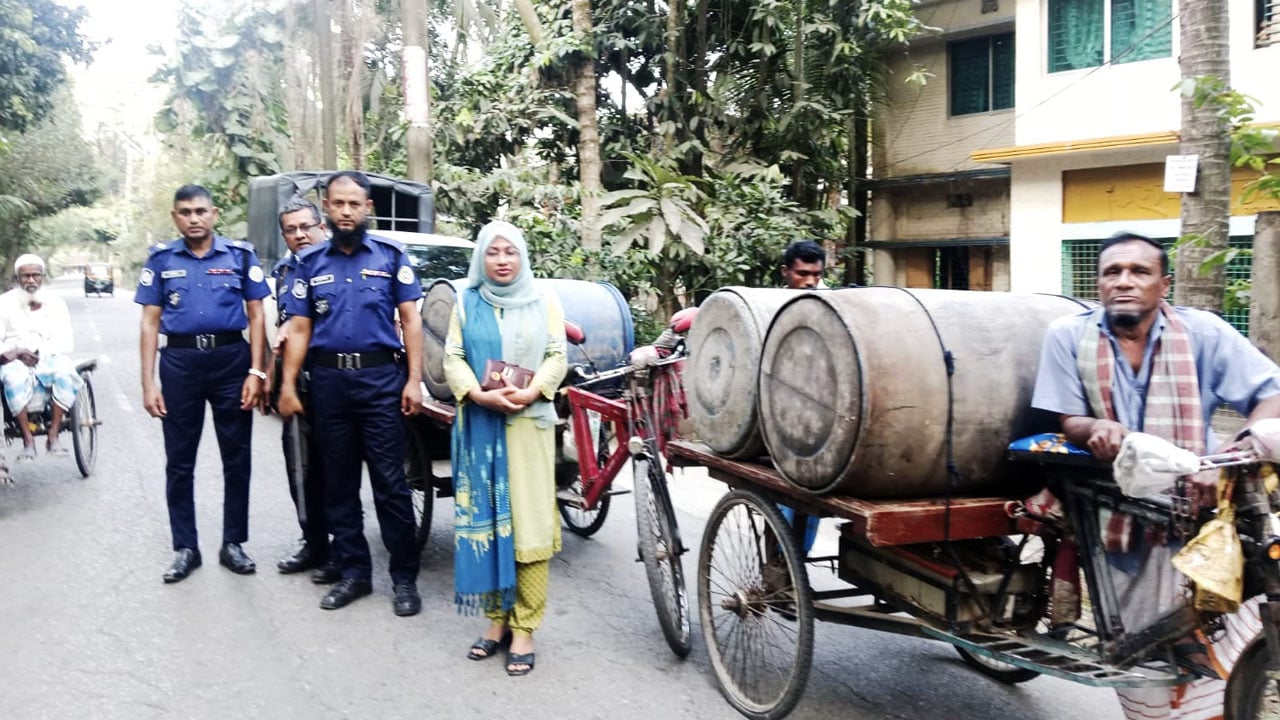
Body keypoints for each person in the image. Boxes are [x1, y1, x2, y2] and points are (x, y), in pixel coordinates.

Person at [1031, 231, 1280, 720]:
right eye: (1112, 273)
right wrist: (1093, 426)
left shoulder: (1203, 331)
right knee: (1138, 656)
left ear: (1163, 284)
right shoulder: (1068, 335)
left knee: (1230, 614)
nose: (1124, 282)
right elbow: (1064, 418)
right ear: (1099, 284)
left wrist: (1233, 453)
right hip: (1113, 509)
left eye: (1139, 272)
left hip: (1199, 498)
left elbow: (1269, 395)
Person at [277, 171, 424, 617]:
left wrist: (414, 379)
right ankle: (355, 574)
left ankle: (404, 579)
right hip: (328, 385)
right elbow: (299, 328)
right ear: (327, 206)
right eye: (337, 204)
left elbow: (411, 320)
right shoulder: (310, 263)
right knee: (338, 485)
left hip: (380, 383)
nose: (345, 211)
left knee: (391, 486)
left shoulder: (390, 256)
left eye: (353, 204)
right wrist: (287, 384)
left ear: (367, 208)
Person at [444, 220, 567, 677]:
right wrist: (476, 394)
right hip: (480, 423)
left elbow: (557, 354)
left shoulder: (544, 299)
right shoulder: (466, 301)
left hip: (527, 426)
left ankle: (526, 628)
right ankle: (495, 623)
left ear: (522, 256)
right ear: (481, 257)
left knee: (529, 526)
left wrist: (533, 391)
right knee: (489, 522)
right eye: (493, 252)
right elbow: (452, 356)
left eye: (510, 252)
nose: (501, 260)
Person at [137, 184, 270, 583]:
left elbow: (257, 316)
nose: (193, 218)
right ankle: (186, 547)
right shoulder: (161, 260)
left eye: (200, 211)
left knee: (237, 457)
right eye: (185, 212)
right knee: (180, 461)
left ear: (214, 213)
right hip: (179, 364)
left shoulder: (240, 256)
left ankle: (233, 543)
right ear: (175, 217)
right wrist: (148, 382)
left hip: (232, 360)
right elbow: (149, 322)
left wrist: (257, 371)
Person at [269, 197, 338, 584]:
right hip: (298, 385)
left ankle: (342, 549)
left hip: (335, 382)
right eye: (291, 230)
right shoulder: (284, 272)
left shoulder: (338, 262)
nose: (299, 235)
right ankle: (313, 542)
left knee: (336, 470)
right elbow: (282, 325)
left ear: (321, 227)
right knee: (299, 466)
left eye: (305, 227)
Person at [0, 254, 83, 461]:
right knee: (11, 378)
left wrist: (39, 354)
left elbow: (66, 342)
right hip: (15, 360)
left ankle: (53, 435)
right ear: (17, 278)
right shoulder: (4, 303)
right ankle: (28, 440)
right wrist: (17, 352)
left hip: (48, 357)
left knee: (66, 372)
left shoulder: (56, 304)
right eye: (25, 276)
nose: (30, 280)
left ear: (42, 277)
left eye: (35, 275)